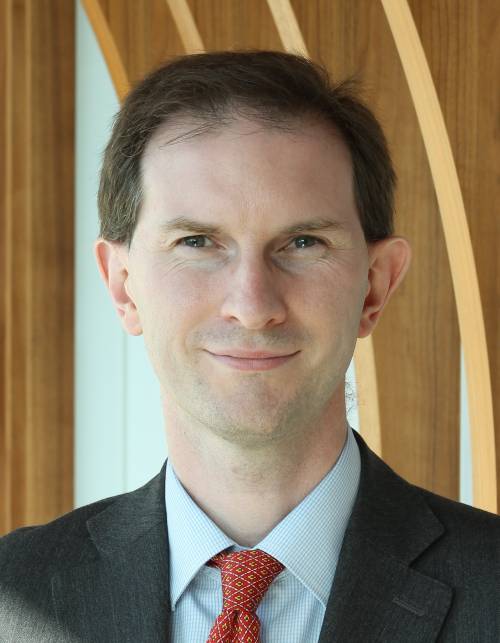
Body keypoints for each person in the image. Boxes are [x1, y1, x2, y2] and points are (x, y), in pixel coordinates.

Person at [0, 50, 498, 643]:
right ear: (123, 285)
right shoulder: (12, 597)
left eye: (304, 242)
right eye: (197, 241)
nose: (253, 304)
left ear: (375, 285)